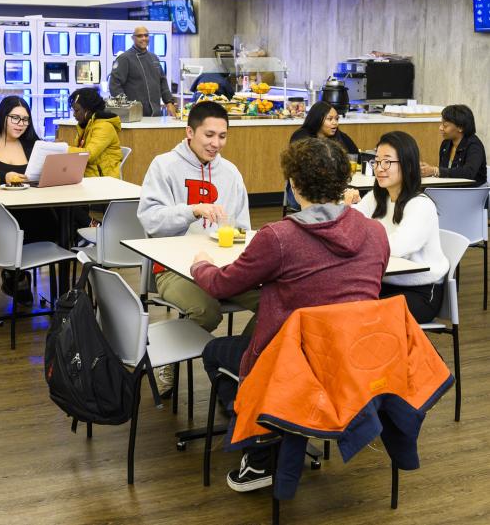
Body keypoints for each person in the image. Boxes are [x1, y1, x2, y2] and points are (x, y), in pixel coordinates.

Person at [193, 137, 390, 493]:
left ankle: (261, 446)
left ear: (294, 185)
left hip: (289, 366)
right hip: (354, 361)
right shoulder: (375, 232)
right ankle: (278, 425)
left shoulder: (280, 238)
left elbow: (223, 285)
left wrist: (200, 266)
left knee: (215, 352)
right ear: (343, 182)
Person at [137, 101, 259, 391]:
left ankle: (240, 364)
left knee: (277, 303)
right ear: (189, 132)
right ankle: (163, 357)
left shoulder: (230, 173)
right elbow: (151, 220)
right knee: (207, 311)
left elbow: (243, 226)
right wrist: (192, 210)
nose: (216, 143)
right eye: (209, 135)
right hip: (171, 268)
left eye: (223, 136)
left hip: (223, 267)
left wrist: (239, 240)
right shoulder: (164, 166)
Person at [346, 130, 449, 324]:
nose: (379, 168)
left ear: (407, 164)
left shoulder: (421, 205)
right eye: (376, 161)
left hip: (421, 292)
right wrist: (346, 207)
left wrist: (361, 239)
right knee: (339, 306)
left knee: (361, 317)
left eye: (387, 161)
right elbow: (348, 227)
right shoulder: (377, 198)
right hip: (383, 283)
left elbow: (397, 247)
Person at [0, 95, 58, 303]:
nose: (21, 124)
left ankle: (17, 273)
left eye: (25, 119)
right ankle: (15, 272)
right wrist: (5, 177)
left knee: (58, 215)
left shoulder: (33, 145)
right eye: (15, 118)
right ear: (3, 116)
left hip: (31, 211)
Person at [286, 100, 359, 210]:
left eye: (337, 119)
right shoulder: (301, 138)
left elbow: (356, 156)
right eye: (330, 119)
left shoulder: (341, 137)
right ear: (317, 120)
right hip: (303, 192)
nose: (335, 123)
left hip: (333, 190)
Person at [109, 25, 177, 118]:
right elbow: (114, 85)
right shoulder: (124, 58)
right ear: (133, 38)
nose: (144, 38)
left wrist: (169, 102)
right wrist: (126, 106)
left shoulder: (154, 58)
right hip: (134, 115)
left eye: (146, 35)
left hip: (155, 114)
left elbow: (162, 82)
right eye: (140, 36)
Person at [420, 104, 487, 185]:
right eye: (441, 124)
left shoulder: (474, 146)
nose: (440, 128)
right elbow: (445, 173)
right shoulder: (446, 144)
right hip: (452, 189)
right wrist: (428, 170)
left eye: (445, 125)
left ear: (460, 128)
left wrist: (435, 170)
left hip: (472, 192)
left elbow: (469, 172)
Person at [68, 88, 122, 178]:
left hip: (103, 181)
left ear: (88, 110)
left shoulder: (104, 127)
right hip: (88, 177)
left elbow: (88, 155)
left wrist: (63, 149)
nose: (74, 114)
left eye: (77, 110)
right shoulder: (85, 126)